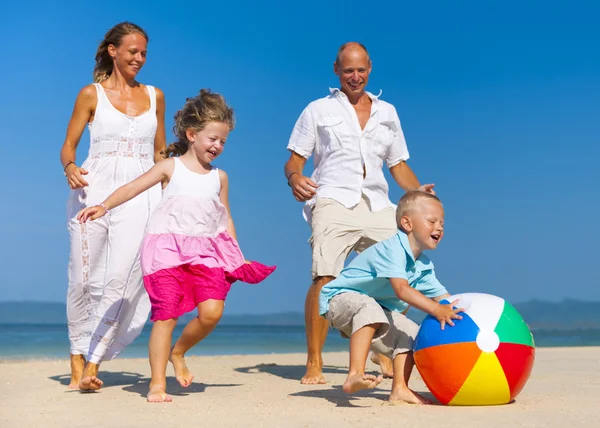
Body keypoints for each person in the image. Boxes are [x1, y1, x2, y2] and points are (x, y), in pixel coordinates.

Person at [77, 89, 276, 402]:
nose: (218, 146)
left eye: (223, 141)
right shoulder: (169, 167)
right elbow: (132, 188)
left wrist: (235, 254)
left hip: (206, 252)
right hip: (165, 251)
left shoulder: (220, 177)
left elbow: (225, 217)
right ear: (191, 134)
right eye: (213, 139)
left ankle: (178, 352)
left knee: (212, 312)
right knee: (165, 315)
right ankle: (157, 383)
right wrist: (103, 206)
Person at [284, 42, 435, 384]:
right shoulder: (317, 110)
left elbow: (398, 165)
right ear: (336, 70)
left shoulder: (388, 112)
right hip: (333, 199)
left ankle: (383, 345)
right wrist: (295, 177)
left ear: (370, 69)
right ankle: (315, 362)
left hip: (379, 204)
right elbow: (295, 158)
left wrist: (416, 194)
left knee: (400, 274)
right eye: (348, 70)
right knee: (325, 277)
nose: (355, 76)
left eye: (361, 70)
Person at [59, 22, 166, 391]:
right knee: (83, 278)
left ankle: (93, 363)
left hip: (141, 193)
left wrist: (176, 192)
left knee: (122, 280)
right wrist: (70, 167)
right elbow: (68, 146)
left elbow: (160, 154)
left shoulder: (155, 96)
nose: (139, 58)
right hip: (92, 190)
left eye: (144, 53)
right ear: (113, 51)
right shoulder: (91, 94)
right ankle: (76, 358)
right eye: (133, 51)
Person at [319, 191, 463, 403]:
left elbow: (448, 300)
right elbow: (402, 290)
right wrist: (436, 310)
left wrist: (471, 316)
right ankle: (354, 374)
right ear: (407, 223)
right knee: (369, 308)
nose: (439, 227)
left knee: (412, 333)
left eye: (442, 223)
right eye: (432, 221)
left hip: (376, 311)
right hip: (339, 299)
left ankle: (400, 389)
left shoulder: (423, 267)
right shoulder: (392, 249)